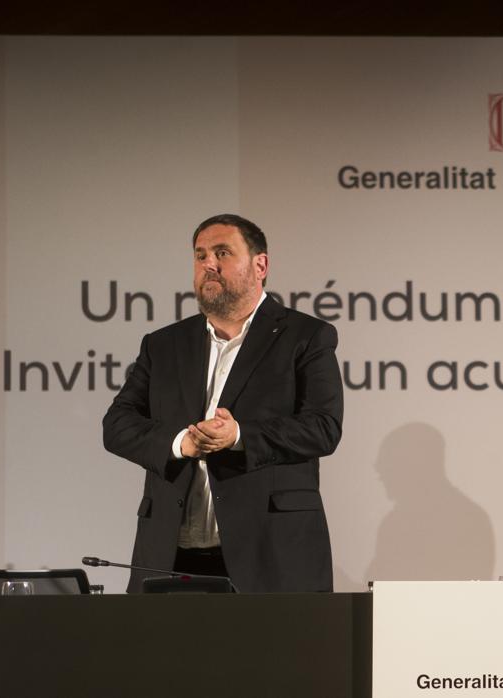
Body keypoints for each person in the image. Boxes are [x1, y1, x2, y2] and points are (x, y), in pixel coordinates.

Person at [103, 214, 343, 593]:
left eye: (222, 253)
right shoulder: (164, 344)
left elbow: (322, 428)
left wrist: (239, 436)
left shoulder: (306, 336)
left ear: (260, 265)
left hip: (268, 555)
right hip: (170, 555)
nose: (208, 264)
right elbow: (117, 425)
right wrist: (182, 442)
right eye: (200, 256)